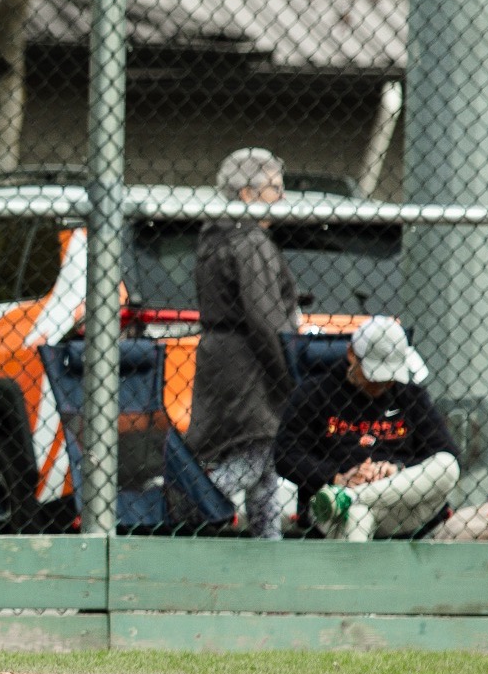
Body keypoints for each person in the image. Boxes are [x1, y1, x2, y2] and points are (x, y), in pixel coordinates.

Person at [186, 148, 298, 539]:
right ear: (247, 194)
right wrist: (290, 370)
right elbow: (265, 318)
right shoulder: (251, 242)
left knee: (265, 464)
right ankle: (188, 503)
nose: (281, 197)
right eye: (273, 188)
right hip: (251, 364)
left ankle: (269, 550)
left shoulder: (216, 234)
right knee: (255, 453)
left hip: (223, 359)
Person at [274, 317, 460, 541]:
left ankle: (348, 496)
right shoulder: (315, 393)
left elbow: (445, 452)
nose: (383, 384)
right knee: (357, 515)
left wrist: (395, 469)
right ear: (352, 354)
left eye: (390, 376)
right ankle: (347, 500)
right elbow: (286, 454)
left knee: (447, 465)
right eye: (375, 375)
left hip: (400, 501)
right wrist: (338, 477)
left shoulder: (411, 396)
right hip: (333, 510)